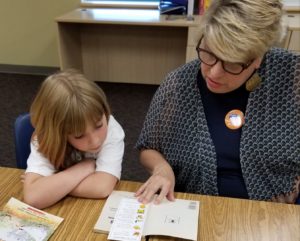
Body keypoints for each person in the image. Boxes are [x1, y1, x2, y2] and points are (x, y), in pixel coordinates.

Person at [135, 0, 300, 204]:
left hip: (277, 214)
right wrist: (162, 169)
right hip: (197, 208)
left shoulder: (293, 77)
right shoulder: (179, 84)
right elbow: (148, 146)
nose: (213, 73)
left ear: (258, 59)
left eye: (231, 63)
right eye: (209, 53)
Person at [23, 70, 125, 209]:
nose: (95, 141)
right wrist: (86, 167)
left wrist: (53, 185)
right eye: (79, 135)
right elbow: (33, 197)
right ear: (58, 133)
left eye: (99, 125)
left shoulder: (112, 130)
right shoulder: (47, 137)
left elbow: (102, 187)